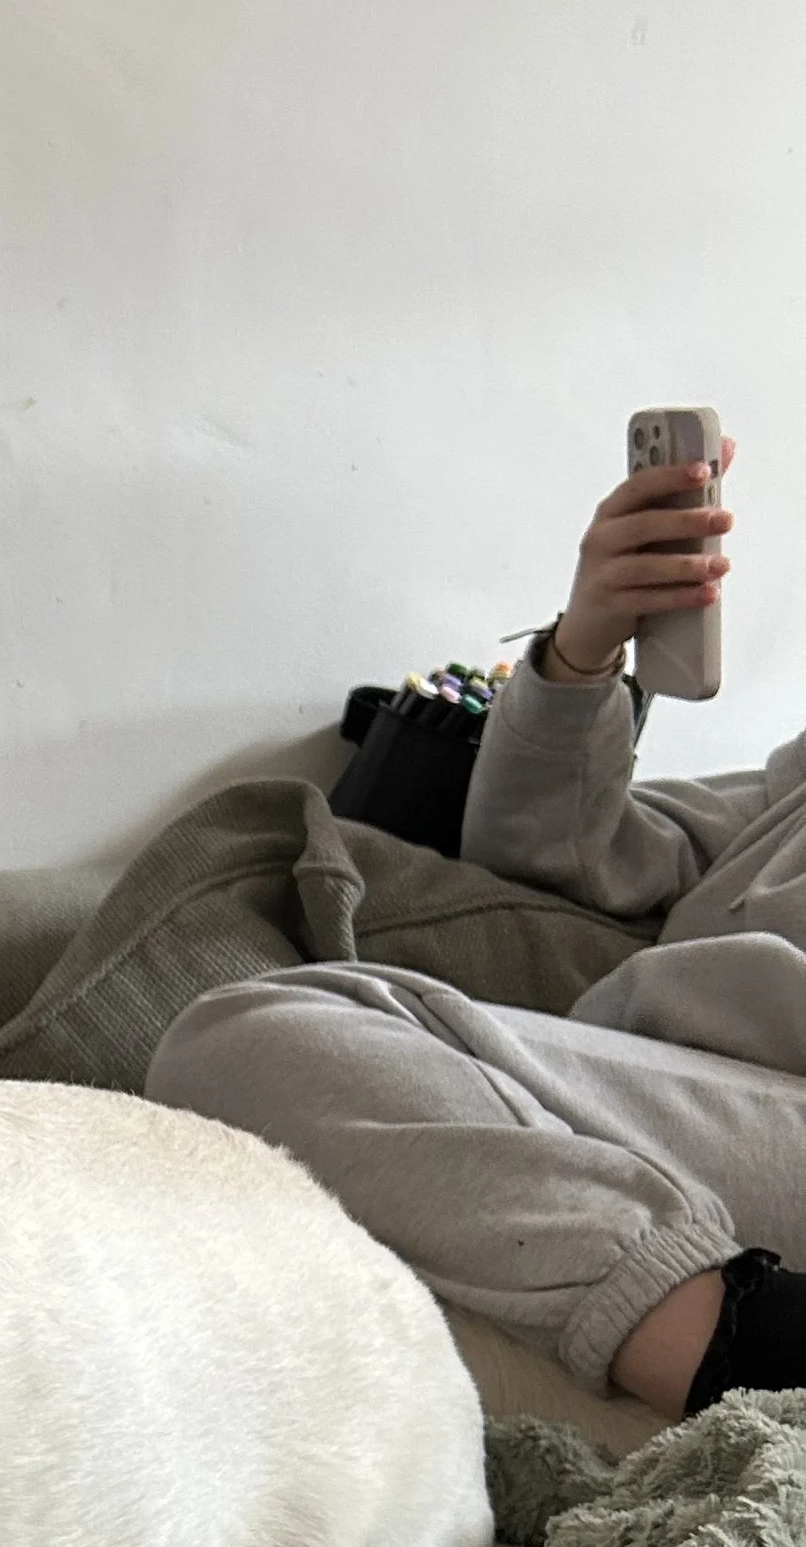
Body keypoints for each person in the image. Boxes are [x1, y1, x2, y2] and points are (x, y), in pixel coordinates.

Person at [149, 438, 806, 1416]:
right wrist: (584, 648)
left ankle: (742, 1353)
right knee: (243, 1041)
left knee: (256, 1030)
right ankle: (717, 1332)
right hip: (639, 1104)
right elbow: (557, 851)